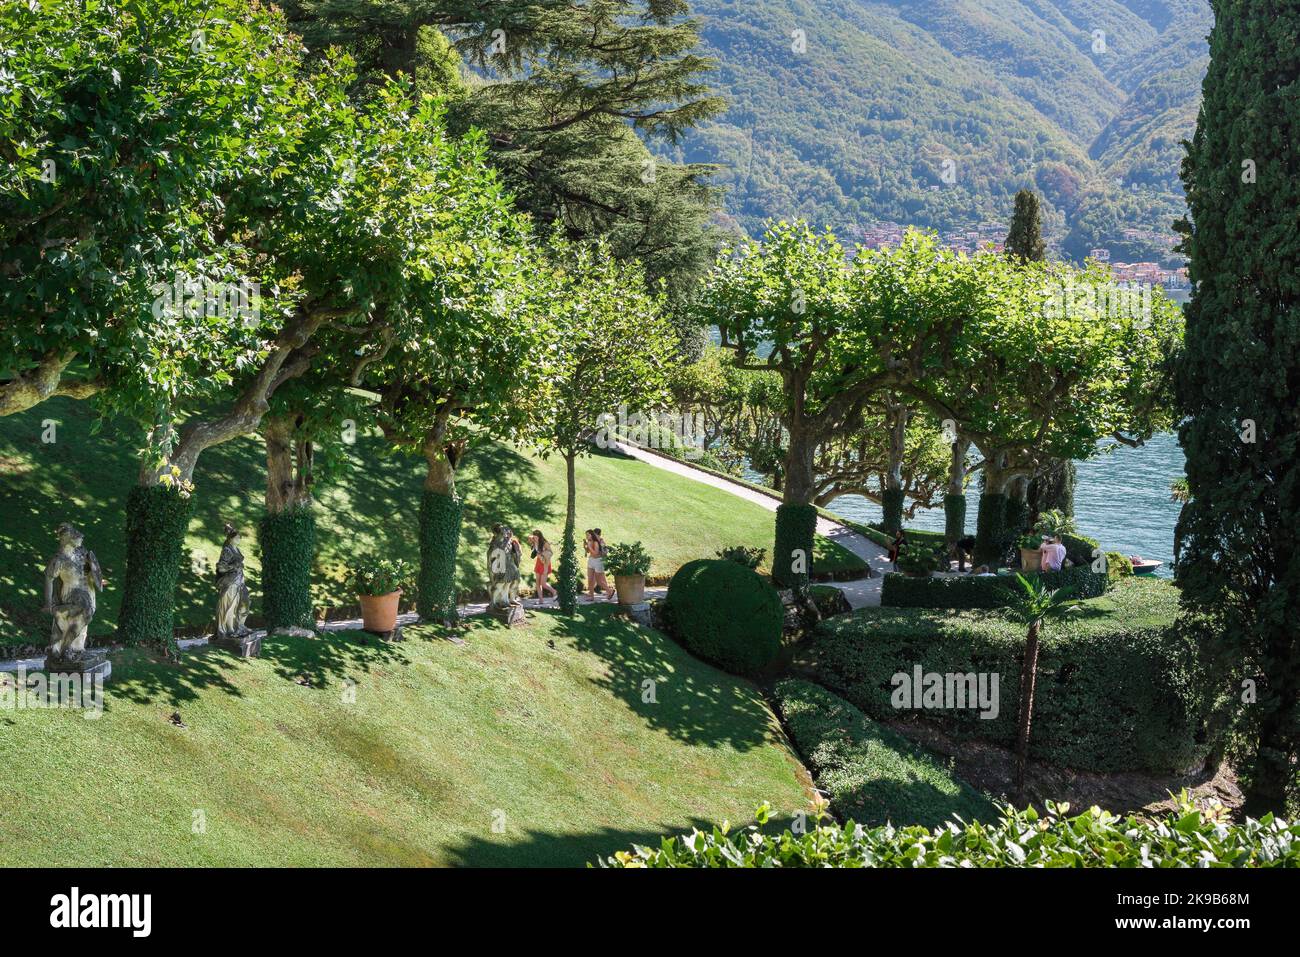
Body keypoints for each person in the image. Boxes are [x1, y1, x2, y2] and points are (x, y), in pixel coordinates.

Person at [586, 528, 615, 601]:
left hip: (599, 561)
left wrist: (600, 553)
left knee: (599, 580)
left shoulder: (601, 542)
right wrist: (586, 546)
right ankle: (591, 596)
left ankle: (609, 591)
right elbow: (589, 551)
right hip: (591, 560)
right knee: (590, 579)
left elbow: (602, 553)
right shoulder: (591, 541)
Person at [528, 529, 556, 603]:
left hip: (545, 562)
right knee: (537, 583)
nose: (535, 538)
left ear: (540, 536)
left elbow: (551, 553)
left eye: (537, 537)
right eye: (534, 537)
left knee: (543, 583)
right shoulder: (534, 542)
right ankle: (541, 600)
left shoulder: (544, 543)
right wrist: (532, 538)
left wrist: (542, 553)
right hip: (539, 562)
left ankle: (554, 592)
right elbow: (529, 537)